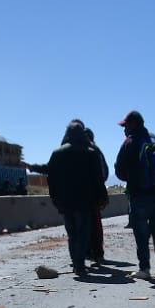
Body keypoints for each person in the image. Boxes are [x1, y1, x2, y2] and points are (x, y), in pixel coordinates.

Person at [113, 110, 155, 281]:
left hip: (139, 195)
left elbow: (119, 169)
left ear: (133, 124)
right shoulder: (154, 140)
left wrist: (131, 178)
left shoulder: (130, 142)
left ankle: (144, 269)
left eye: (125, 126)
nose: (124, 129)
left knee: (141, 233)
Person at [46, 119, 107, 278]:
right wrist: (102, 197)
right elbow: (98, 179)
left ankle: (77, 262)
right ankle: (79, 265)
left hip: (65, 202)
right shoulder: (91, 153)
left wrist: (54, 198)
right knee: (82, 233)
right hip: (85, 201)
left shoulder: (57, 153)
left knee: (72, 234)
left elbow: (51, 179)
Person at [86, 128, 110, 266]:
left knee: (87, 224)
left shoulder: (86, 151)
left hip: (85, 195)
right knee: (95, 224)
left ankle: (91, 252)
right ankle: (97, 253)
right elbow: (104, 173)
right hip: (95, 194)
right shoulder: (96, 150)